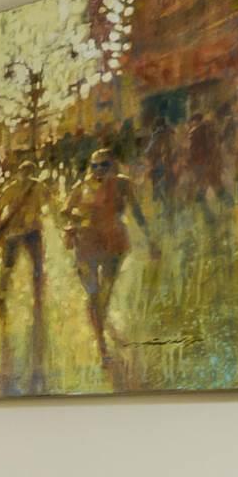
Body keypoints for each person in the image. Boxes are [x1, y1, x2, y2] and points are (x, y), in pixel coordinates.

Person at [64, 147, 159, 357]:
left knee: (105, 292)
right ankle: (101, 343)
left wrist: (150, 240)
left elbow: (137, 212)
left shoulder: (123, 184)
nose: (99, 170)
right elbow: (65, 210)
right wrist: (75, 222)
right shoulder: (82, 186)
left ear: (113, 165)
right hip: (86, 243)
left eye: (104, 165)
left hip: (114, 242)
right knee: (93, 293)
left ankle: (100, 324)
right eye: (94, 166)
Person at [0, 165, 48, 325]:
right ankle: (4, 295)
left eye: (28, 173)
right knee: (14, 265)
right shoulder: (18, 188)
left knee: (30, 265)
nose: (26, 176)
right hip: (20, 231)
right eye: (25, 173)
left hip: (27, 231)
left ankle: (32, 298)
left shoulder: (32, 187)